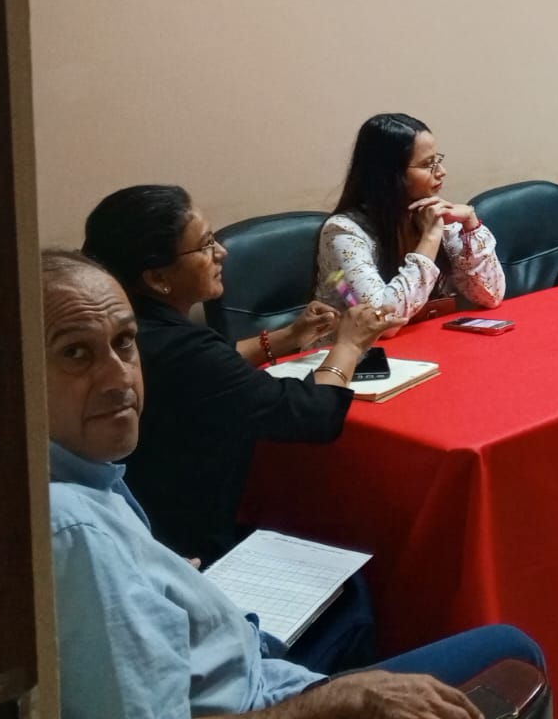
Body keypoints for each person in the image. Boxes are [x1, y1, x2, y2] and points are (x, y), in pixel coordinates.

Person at [41, 249, 543, 718]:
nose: (118, 378)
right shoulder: (74, 530)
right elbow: (309, 413)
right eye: (76, 353)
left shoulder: (85, 469)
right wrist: (331, 701)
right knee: (511, 650)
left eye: (123, 343)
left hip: (249, 660)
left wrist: (166, 575)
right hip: (261, 696)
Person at [83, 185, 393, 571]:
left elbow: (212, 365)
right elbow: (311, 414)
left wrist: (289, 337)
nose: (221, 252)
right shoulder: (180, 348)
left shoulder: (134, 331)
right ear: (158, 277)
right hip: (187, 548)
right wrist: (349, 345)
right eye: (205, 245)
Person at [316, 113, 505, 326]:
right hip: (357, 347)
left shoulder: (430, 212)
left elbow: (491, 296)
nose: (441, 172)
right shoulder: (343, 232)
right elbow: (380, 322)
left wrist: (471, 225)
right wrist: (430, 238)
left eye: (437, 160)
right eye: (427, 164)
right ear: (389, 174)